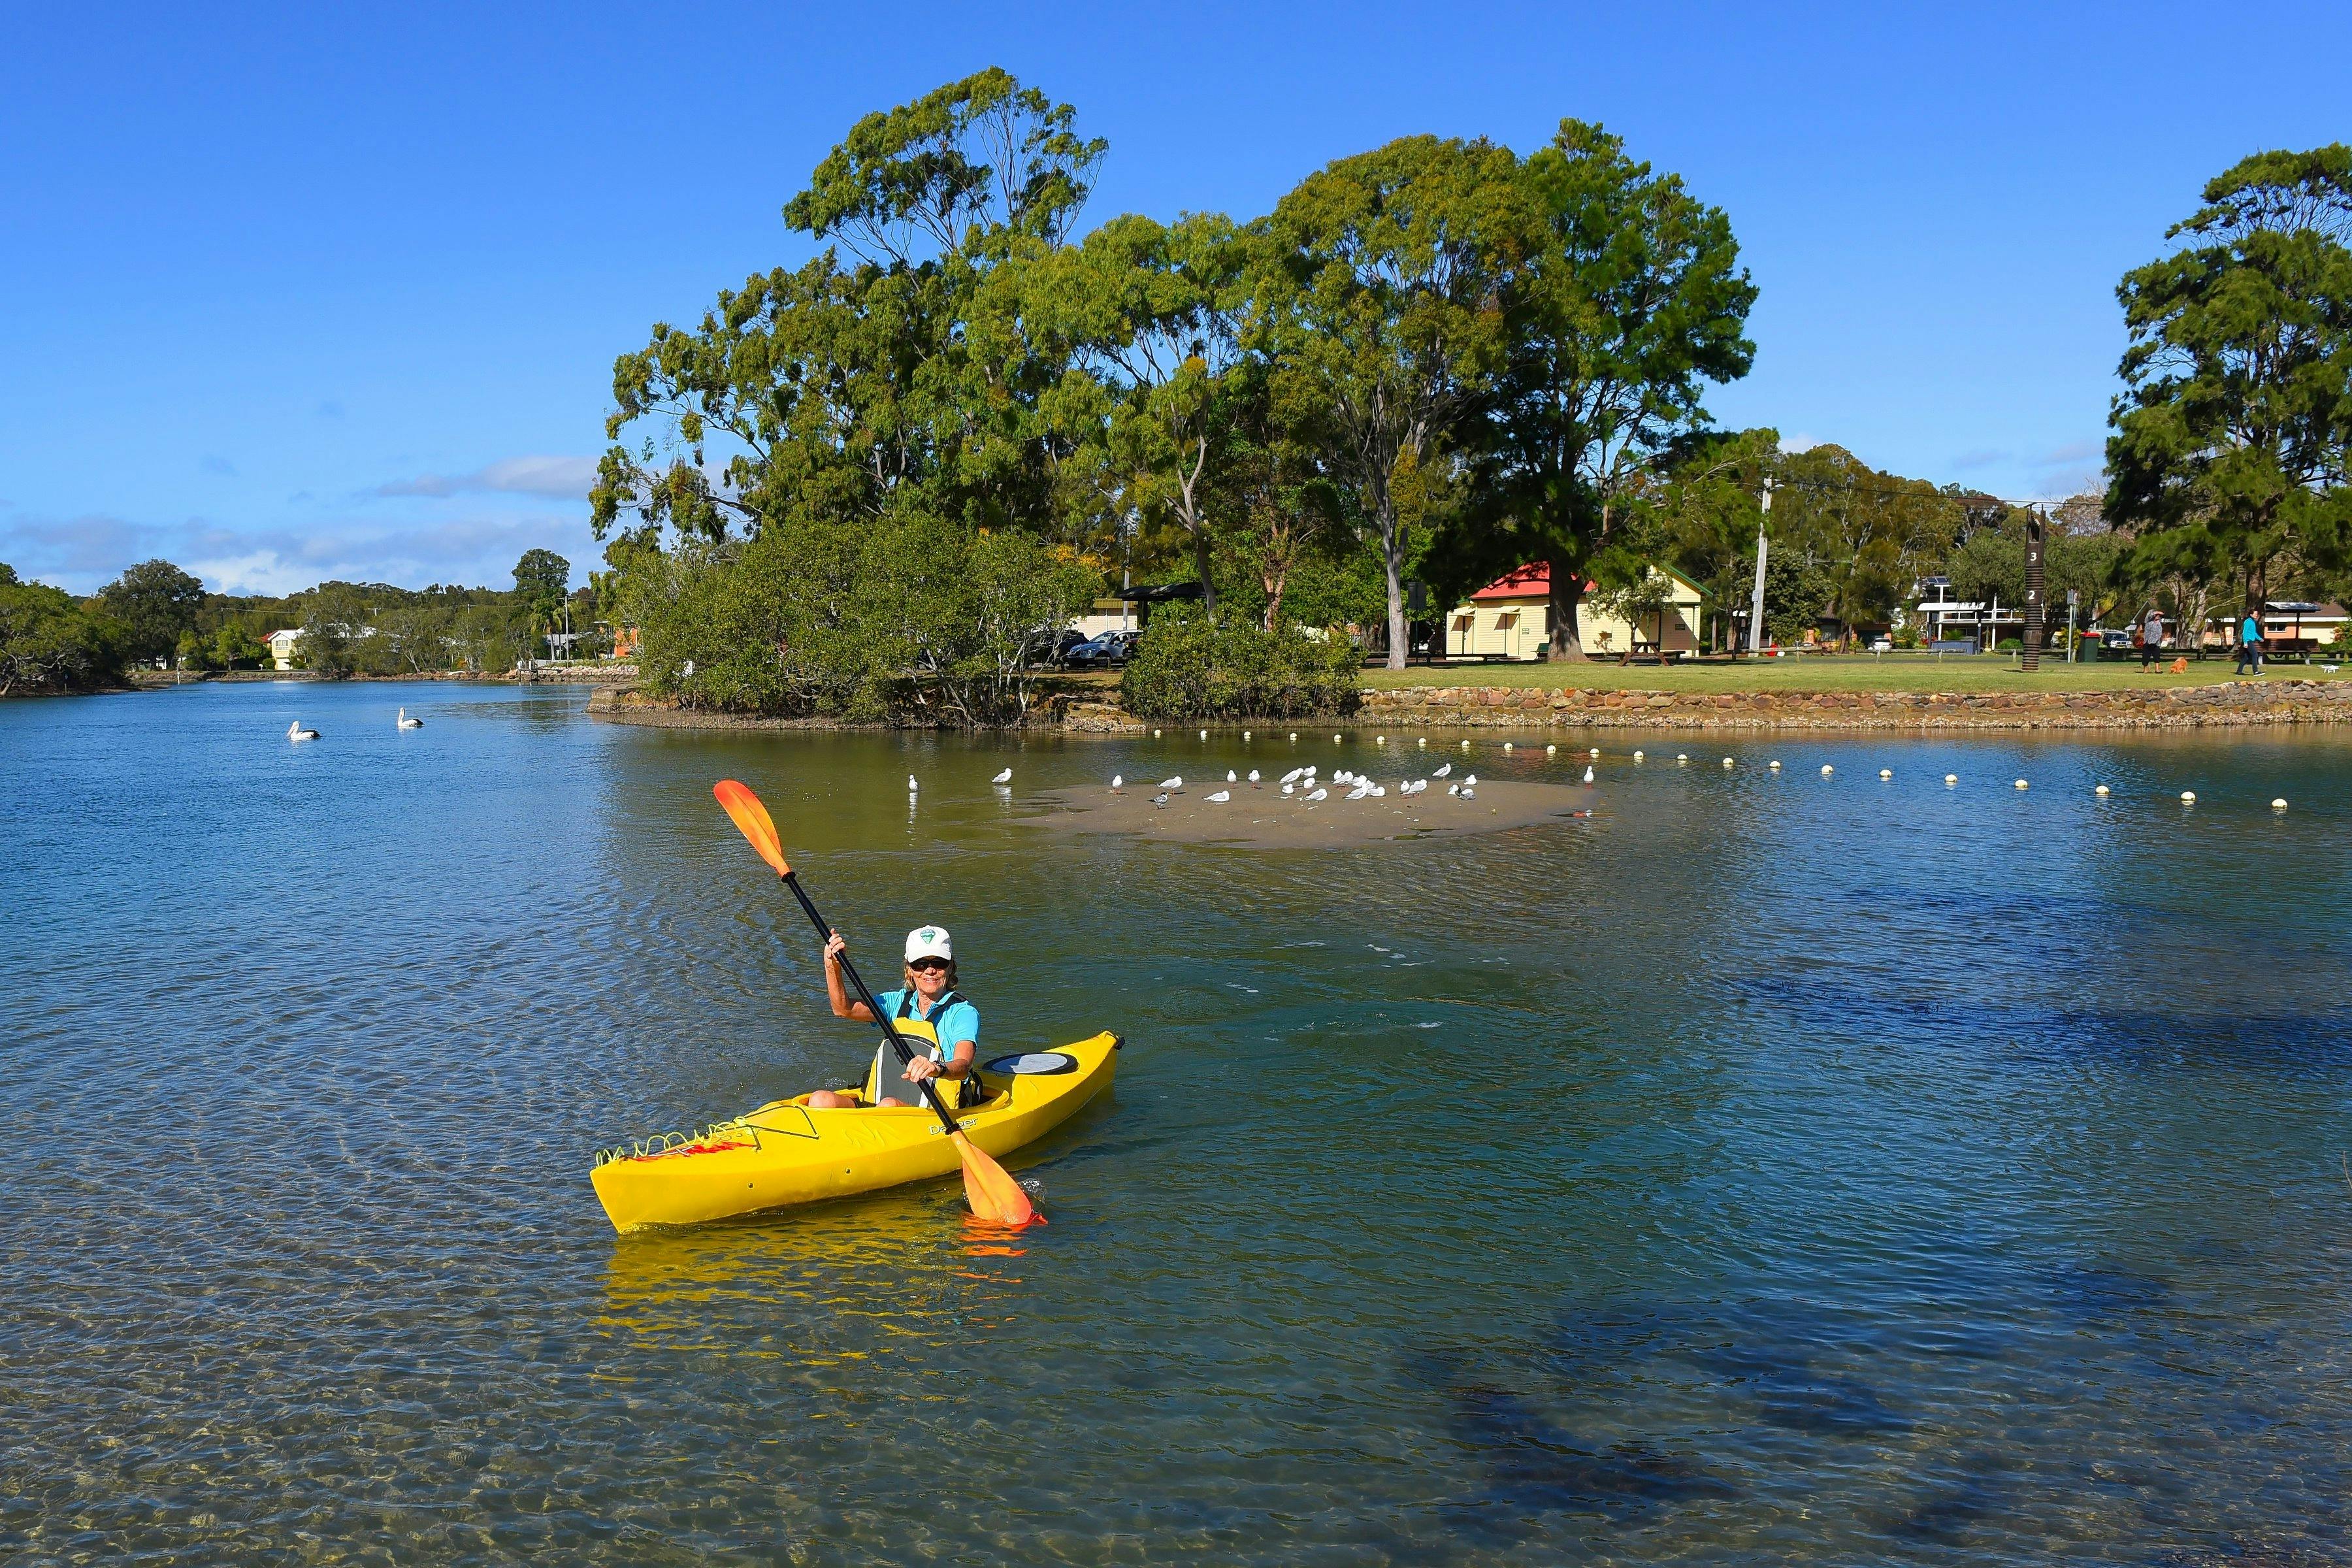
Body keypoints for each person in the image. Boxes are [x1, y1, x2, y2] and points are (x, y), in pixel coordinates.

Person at [806, 924, 979, 1110]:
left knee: (887, 1106)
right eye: (920, 964)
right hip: (885, 1107)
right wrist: (832, 965)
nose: (930, 971)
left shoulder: (962, 1012)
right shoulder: (896, 1003)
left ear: (950, 966)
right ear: (909, 969)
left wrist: (937, 1068)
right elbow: (843, 1009)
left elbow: (963, 1065)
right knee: (820, 1100)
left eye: (938, 963)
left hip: (936, 1111)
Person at [2236, 608, 2264, 675]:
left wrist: (2259, 638)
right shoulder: (2248, 621)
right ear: (2251, 614)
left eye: (2257, 614)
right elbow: (2244, 633)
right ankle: (2256, 671)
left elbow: (2254, 633)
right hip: (2248, 641)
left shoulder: (2253, 622)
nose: (2257, 615)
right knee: (2255, 654)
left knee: (2246, 657)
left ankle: (2239, 671)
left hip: (2250, 641)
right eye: (2255, 614)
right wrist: (2245, 642)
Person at [2138, 605, 2165, 670]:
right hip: (2148, 642)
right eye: (2156, 615)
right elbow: (2149, 615)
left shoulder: (2159, 622)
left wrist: (2159, 613)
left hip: (2157, 643)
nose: (2158, 616)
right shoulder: (2148, 621)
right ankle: (2145, 669)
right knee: (2146, 656)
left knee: (2157, 656)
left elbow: (2163, 614)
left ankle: (2157, 669)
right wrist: (2156, 612)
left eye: (2159, 615)